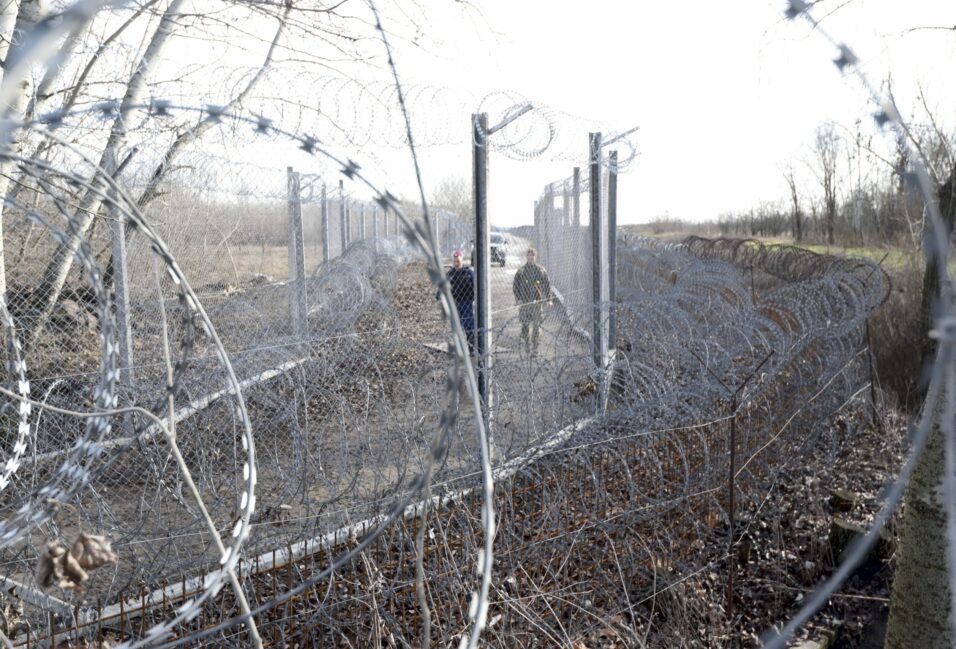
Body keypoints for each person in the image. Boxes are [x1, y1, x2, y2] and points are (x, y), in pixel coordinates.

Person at [512, 247, 552, 354]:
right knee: (525, 325)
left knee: (536, 325)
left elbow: (547, 285)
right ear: (526, 257)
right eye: (529, 255)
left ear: (535, 257)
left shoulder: (540, 271)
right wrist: (518, 299)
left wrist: (549, 299)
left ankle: (535, 347)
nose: (530, 257)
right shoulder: (521, 271)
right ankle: (527, 344)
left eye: (532, 256)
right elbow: (515, 286)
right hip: (525, 303)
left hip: (537, 303)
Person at [436, 250, 476, 355]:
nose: (456, 264)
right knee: (457, 327)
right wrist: (439, 297)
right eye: (454, 262)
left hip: (467, 303)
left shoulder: (468, 273)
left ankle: (471, 349)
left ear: (462, 261)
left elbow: (477, 286)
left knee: (469, 327)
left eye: (458, 261)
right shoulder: (450, 274)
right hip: (455, 304)